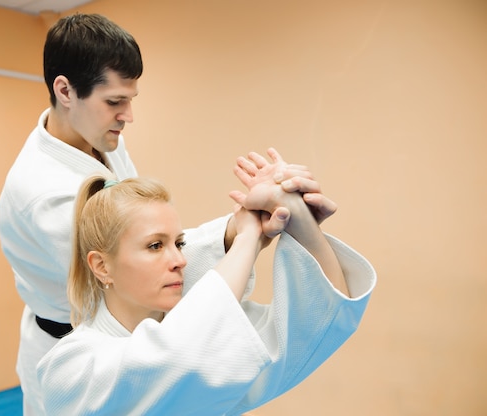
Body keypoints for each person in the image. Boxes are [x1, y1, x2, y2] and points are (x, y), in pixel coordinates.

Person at [0, 13, 339, 414]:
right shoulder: (46, 195)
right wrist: (244, 235)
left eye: (130, 99)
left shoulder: (95, 136)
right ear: (65, 90)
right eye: (114, 102)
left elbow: (142, 239)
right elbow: (143, 269)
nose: (128, 115)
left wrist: (255, 225)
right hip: (83, 352)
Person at [36, 151, 376, 415]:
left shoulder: (207, 335)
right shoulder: (69, 369)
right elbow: (176, 358)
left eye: (178, 244)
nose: (179, 260)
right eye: (155, 245)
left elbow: (317, 323)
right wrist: (246, 237)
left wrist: (296, 216)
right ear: (101, 266)